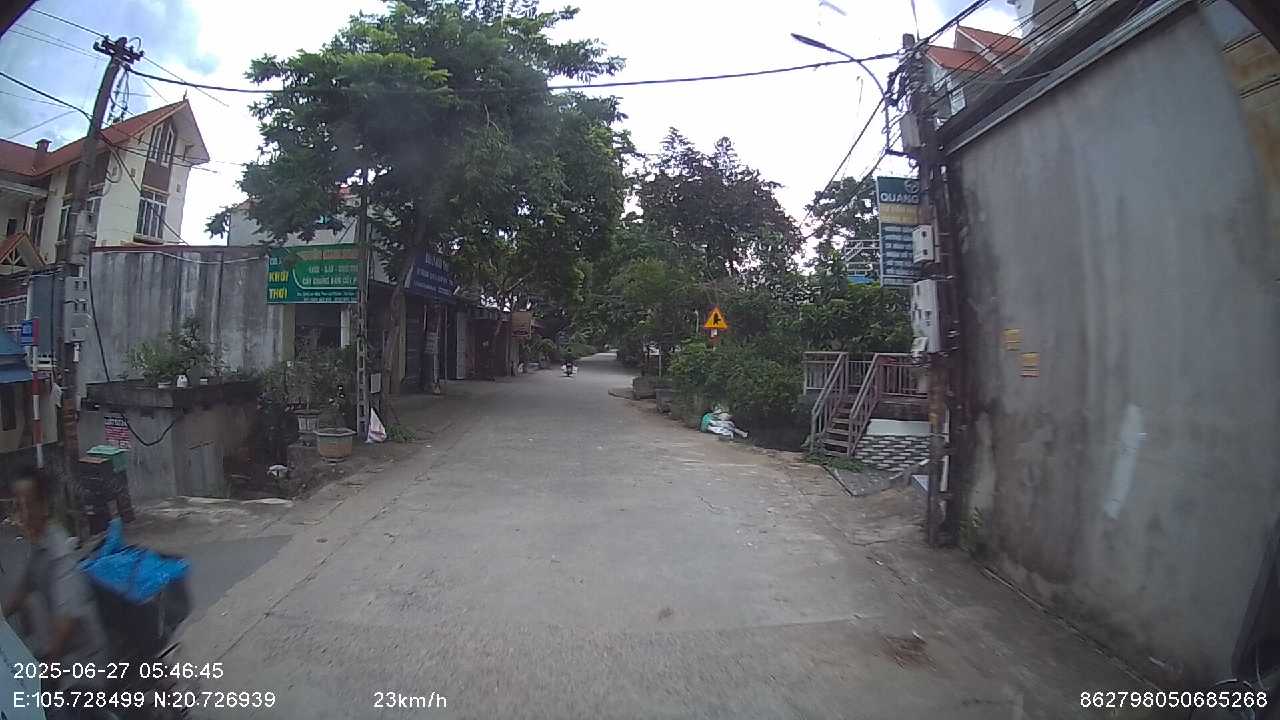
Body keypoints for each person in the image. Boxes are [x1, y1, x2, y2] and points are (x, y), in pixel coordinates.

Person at [3, 469, 109, 678]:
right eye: (18, 506)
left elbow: (66, 622)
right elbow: (25, 587)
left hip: (82, 664)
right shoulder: (39, 545)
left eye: (29, 505)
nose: (24, 515)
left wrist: (48, 667)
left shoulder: (60, 554)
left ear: (44, 506)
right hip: (59, 651)